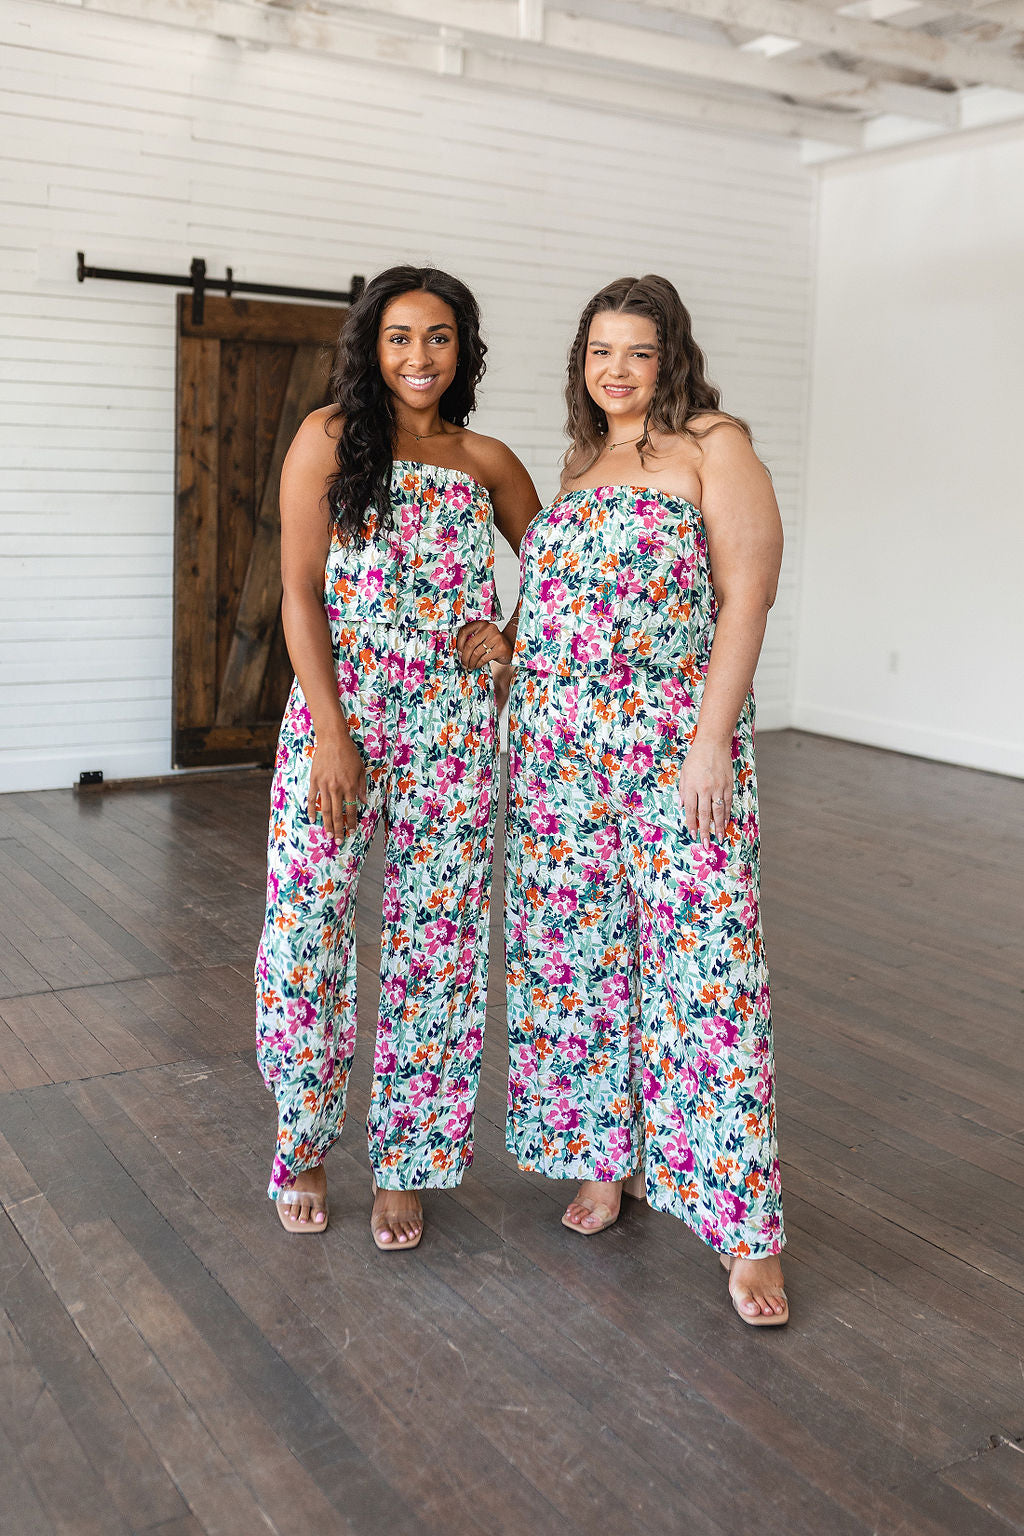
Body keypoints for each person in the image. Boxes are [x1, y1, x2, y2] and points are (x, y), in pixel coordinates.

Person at [504, 275, 788, 1324]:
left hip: (675, 750)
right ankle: (602, 1159)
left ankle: (746, 1230)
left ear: (671, 358)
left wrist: (711, 742)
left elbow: (747, 595)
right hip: (556, 758)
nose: (615, 370)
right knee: (576, 963)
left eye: (637, 351)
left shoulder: (714, 444)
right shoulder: (580, 463)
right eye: (599, 351)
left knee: (709, 972)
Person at [256, 265, 538, 1249]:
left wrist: (506, 638)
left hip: (452, 733)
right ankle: (302, 1143)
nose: (420, 356)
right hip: (343, 719)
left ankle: (408, 1164)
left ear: (465, 350)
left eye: (440, 336)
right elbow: (299, 591)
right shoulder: (329, 437)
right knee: (306, 929)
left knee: (437, 942)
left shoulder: (487, 460)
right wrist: (331, 732)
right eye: (400, 336)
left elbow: (562, 578)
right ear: (371, 346)